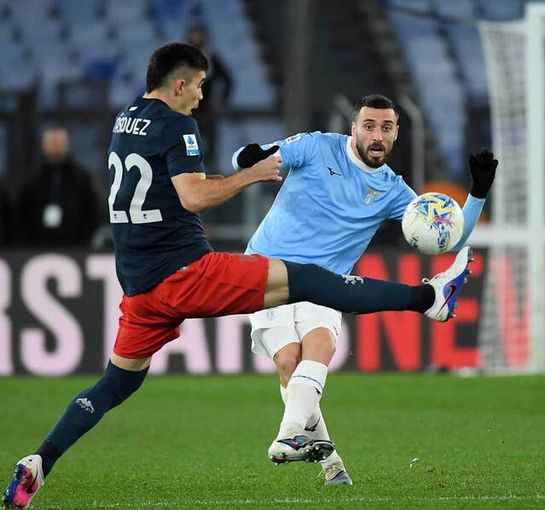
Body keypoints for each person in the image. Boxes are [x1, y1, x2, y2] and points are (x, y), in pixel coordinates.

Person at [2, 45, 475, 509]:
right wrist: (253, 174)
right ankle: (427, 299)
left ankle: (39, 461)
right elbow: (194, 197)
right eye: (199, 86)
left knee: (116, 384)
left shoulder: (126, 119)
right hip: (187, 272)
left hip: (139, 287)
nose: (202, 97)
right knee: (312, 280)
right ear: (179, 84)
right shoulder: (178, 124)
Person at [231, 94, 498, 485]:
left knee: (318, 347)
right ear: (353, 128)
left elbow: (450, 239)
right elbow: (247, 158)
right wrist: (249, 155)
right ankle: (330, 463)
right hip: (267, 271)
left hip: (324, 285)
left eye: (386, 128)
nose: (377, 135)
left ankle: (288, 437)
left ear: (396, 134)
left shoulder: (393, 191)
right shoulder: (315, 146)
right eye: (369, 126)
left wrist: (477, 192)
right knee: (288, 362)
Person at [14, 124, 100, 247]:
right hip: (36, 247)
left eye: (59, 142)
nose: (55, 147)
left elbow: (92, 213)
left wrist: (83, 242)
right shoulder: (32, 179)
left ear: (67, 144)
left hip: (75, 247)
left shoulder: (81, 178)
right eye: (52, 142)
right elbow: (22, 214)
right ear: (43, 145)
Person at [185, 24, 232, 168]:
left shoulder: (210, 57)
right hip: (187, 111)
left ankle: (210, 171)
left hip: (206, 111)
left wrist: (222, 99)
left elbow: (227, 79)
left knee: (210, 148)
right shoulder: (181, 59)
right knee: (188, 146)